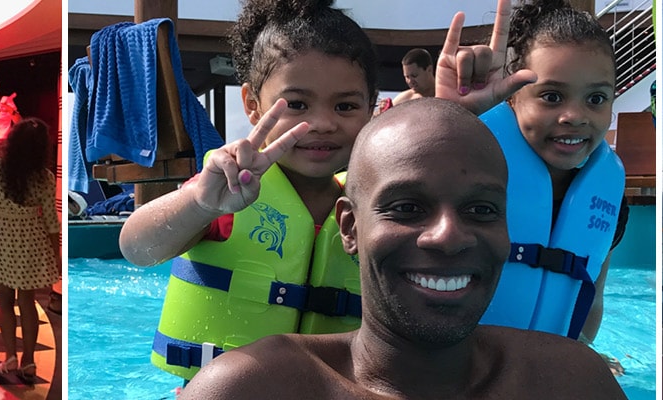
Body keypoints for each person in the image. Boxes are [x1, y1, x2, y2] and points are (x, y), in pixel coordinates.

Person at [180, 98, 626, 400]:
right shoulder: (256, 389)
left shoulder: (571, 382)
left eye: (481, 209)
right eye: (408, 207)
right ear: (350, 227)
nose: (449, 235)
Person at [117, 0, 379, 381]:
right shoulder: (225, 190)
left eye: (345, 106)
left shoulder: (372, 205)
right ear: (253, 106)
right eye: (297, 104)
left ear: (370, 108)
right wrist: (198, 203)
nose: (322, 123)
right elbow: (136, 248)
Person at [433, 0, 630, 375]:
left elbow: (592, 296)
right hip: (459, 370)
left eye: (596, 99)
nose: (574, 116)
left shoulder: (608, 192)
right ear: (512, 96)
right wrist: (449, 122)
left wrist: (582, 351)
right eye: (551, 97)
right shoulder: (468, 167)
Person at [0, 118, 60, 386]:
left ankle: (9, 357)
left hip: (3, 241)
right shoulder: (44, 176)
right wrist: (55, 251)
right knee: (28, 302)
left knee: (4, 302)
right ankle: (29, 361)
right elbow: (51, 221)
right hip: (32, 242)